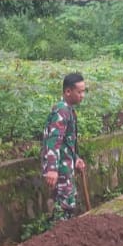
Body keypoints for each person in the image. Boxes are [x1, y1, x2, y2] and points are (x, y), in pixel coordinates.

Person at [41, 73, 88, 223]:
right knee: (63, 208)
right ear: (68, 91)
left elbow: (67, 142)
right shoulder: (61, 111)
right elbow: (54, 141)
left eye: (84, 91)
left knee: (68, 205)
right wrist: (52, 169)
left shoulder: (69, 110)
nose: (83, 95)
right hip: (60, 169)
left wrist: (76, 158)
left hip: (66, 166)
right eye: (79, 92)